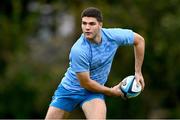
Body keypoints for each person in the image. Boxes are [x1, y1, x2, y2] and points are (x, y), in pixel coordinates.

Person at [45, 7, 145, 119]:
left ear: (100, 25)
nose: (87, 27)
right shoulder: (79, 50)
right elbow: (86, 83)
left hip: (93, 92)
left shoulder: (113, 36)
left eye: (92, 24)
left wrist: (138, 72)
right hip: (68, 91)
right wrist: (111, 91)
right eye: (84, 23)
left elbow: (139, 41)